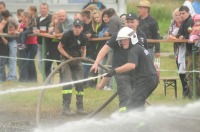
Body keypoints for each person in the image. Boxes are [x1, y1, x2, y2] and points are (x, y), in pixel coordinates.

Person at [90, 15, 147, 111]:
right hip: (120, 71)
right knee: (125, 95)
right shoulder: (118, 34)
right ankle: (123, 119)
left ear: (137, 22)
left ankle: (138, 119)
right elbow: (105, 48)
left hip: (136, 71)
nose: (129, 24)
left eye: (132, 22)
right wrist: (96, 63)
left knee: (138, 97)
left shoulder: (141, 36)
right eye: (127, 22)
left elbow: (145, 54)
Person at [104, 27, 158, 110]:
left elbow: (131, 65)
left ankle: (135, 122)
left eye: (125, 40)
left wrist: (115, 71)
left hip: (146, 80)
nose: (122, 42)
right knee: (137, 103)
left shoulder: (134, 49)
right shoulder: (138, 48)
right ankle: (141, 122)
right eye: (121, 40)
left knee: (131, 105)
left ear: (132, 38)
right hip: (148, 79)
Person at [57, 19, 88, 115]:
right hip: (66, 61)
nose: (77, 29)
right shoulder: (67, 35)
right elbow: (59, 47)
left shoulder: (83, 37)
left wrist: (83, 57)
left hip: (77, 60)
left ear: (82, 28)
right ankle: (65, 108)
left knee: (79, 83)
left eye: (79, 27)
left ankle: (80, 108)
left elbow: (84, 47)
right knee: (68, 83)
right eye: (76, 27)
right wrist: (68, 57)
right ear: (73, 27)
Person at [168, 8, 190, 98]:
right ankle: (184, 89)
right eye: (176, 15)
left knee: (188, 70)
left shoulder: (186, 24)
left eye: (179, 14)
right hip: (177, 50)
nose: (178, 16)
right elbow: (169, 34)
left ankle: (188, 90)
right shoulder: (172, 23)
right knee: (180, 70)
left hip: (185, 49)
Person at [176, 6, 196, 97]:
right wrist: (180, 36)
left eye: (183, 13)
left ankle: (192, 93)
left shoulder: (191, 21)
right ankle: (187, 92)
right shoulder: (183, 22)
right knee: (184, 72)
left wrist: (183, 36)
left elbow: (192, 34)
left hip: (192, 50)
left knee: (191, 73)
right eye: (180, 14)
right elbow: (179, 34)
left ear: (188, 12)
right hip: (185, 51)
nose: (181, 15)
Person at [1, 10, 19, 81]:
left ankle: (12, 76)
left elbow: (17, 26)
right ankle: (11, 75)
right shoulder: (11, 19)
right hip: (9, 41)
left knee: (12, 59)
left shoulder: (10, 19)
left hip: (12, 41)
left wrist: (15, 31)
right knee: (10, 59)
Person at [35, 2, 52, 76]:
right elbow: (36, 28)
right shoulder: (37, 19)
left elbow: (51, 30)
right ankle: (46, 81)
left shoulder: (51, 18)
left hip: (48, 43)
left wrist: (41, 32)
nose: (43, 10)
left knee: (47, 64)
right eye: (41, 8)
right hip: (40, 43)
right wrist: (35, 31)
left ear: (47, 9)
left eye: (45, 8)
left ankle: (49, 82)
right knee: (40, 64)